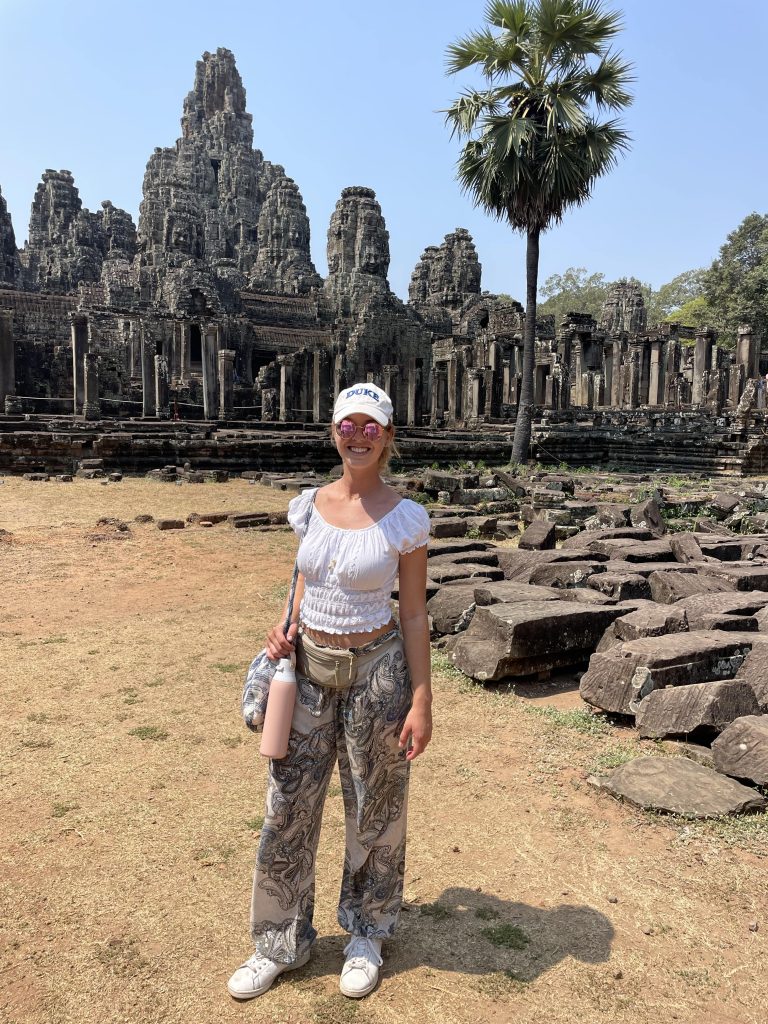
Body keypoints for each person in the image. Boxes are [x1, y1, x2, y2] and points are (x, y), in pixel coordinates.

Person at [228, 382, 432, 1001]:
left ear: (389, 436)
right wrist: (283, 626)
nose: (359, 436)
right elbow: (304, 582)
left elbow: (416, 615)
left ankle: (367, 933)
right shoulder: (308, 506)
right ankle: (278, 940)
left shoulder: (406, 519)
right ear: (334, 434)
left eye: (372, 426)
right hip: (308, 672)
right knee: (287, 804)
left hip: (378, 674)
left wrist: (423, 699)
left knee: (376, 805)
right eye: (349, 425)